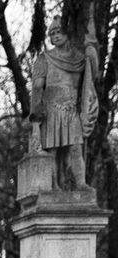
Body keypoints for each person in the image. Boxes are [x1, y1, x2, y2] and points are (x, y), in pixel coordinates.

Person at [29, 15, 99, 191]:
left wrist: (92, 53)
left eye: (59, 32)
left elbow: (92, 76)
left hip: (71, 110)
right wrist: (36, 119)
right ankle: (54, 185)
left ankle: (81, 184)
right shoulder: (44, 59)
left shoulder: (78, 59)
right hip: (51, 110)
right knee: (52, 151)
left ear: (67, 33)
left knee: (75, 148)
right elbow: (37, 89)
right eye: (52, 34)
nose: (56, 36)